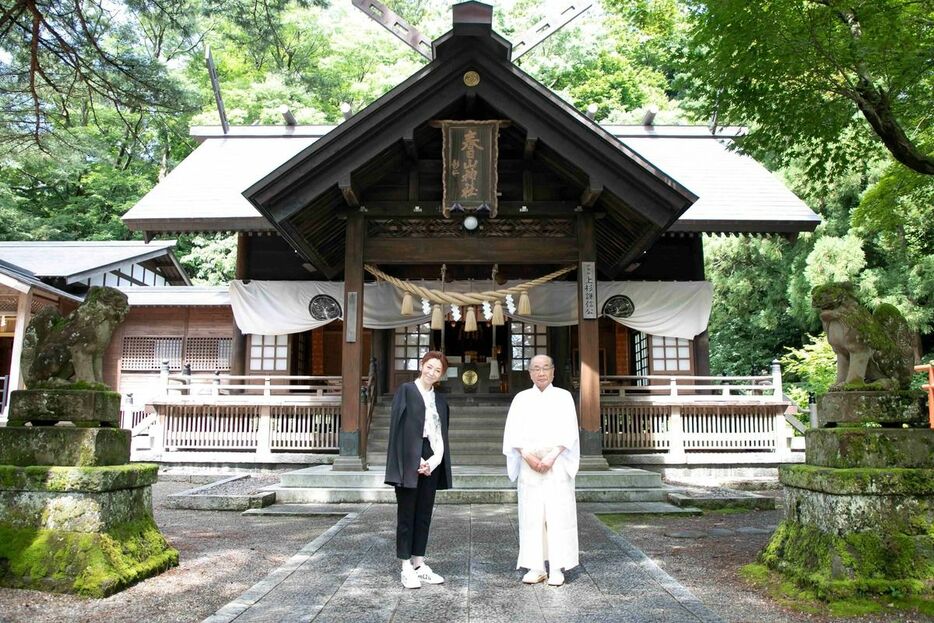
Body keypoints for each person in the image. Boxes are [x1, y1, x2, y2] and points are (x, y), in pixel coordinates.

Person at [502, 354, 580, 587]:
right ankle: (536, 567)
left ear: (553, 371)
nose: (541, 372)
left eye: (546, 367)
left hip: (556, 463)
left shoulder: (563, 397)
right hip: (529, 463)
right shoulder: (521, 398)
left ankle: (557, 567)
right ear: (530, 373)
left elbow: (569, 432)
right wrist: (527, 456)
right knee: (531, 516)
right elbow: (512, 433)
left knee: (558, 515)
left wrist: (552, 456)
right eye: (536, 368)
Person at [385, 350, 453, 589]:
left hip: (431, 455)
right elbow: (397, 430)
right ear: (421, 365)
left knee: (424, 513)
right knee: (407, 514)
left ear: (441, 375)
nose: (432, 372)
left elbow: (442, 434)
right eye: (429, 366)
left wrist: (432, 461)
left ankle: (419, 563)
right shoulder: (406, 391)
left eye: (438, 370)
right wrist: (412, 461)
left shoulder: (440, 400)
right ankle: (405, 566)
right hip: (408, 456)